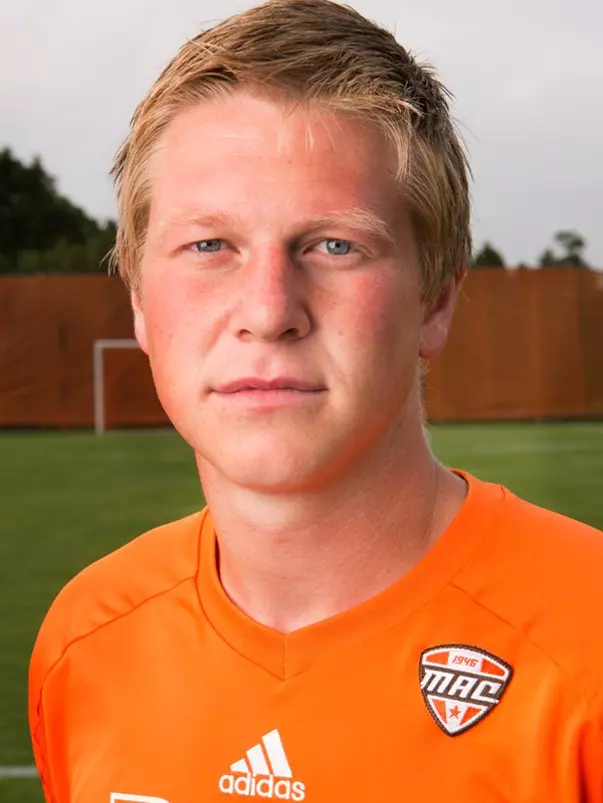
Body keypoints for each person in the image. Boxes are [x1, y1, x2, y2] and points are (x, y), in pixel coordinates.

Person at [29, 0, 603, 800]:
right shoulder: (86, 640)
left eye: (334, 245)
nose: (268, 310)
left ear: (435, 297)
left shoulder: (588, 641)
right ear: (137, 300)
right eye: (209, 245)